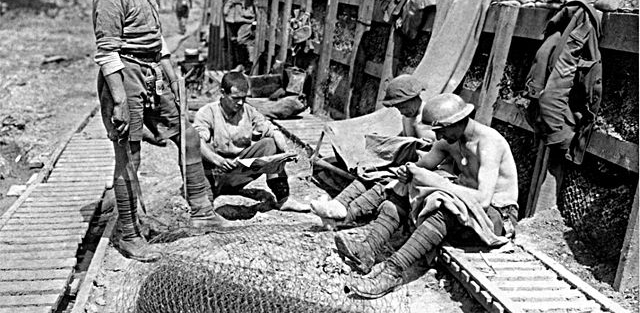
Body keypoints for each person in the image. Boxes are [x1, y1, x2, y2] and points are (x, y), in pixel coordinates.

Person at [92, 0, 228, 263]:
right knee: (129, 157)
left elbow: (156, 38)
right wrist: (120, 100)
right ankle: (128, 234)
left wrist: (171, 75)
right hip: (124, 77)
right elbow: (107, 51)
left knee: (189, 134)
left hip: (152, 73)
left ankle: (202, 210)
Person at [339, 93, 519, 298]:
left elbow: (483, 199)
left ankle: (393, 271)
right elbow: (422, 166)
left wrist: (437, 182)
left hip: (497, 215)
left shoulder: (488, 143)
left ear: (457, 122)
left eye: (441, 130)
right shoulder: (450, 139)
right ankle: (368, 250)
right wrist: (407, 173)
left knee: (444, 206)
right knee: (406, 185)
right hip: (468, 208)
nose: (439, 137)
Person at [310, 75, 436, 228]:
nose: (400, 111)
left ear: (414, 98)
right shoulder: (408, 116)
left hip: (422, 172)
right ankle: (338, 204)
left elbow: (433, 156)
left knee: (384, 181)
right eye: (398, 107)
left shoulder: (428, 118)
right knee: (370, 172)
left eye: (402, 106)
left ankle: (342, 216)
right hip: (406, 166)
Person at [193, 71, 310, 212]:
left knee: (270, 144)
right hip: (214, 171)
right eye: (235, 98)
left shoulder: (248, 111)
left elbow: (272, 130)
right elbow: (197, 141)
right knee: (194, 147)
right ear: (222, 93)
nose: (240, 102)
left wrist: (286, 152)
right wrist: (217, 160)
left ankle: (283, 198)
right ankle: (207, 199)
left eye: (243, 98)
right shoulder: (207, 112)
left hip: (238, 170)